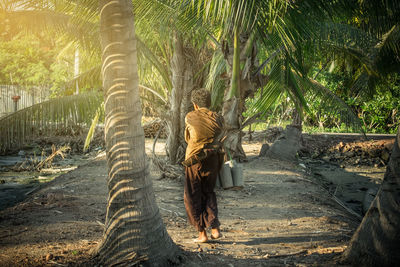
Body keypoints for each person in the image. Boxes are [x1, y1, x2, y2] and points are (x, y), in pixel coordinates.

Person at [182, 88, 224, 243]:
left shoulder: (190, 116)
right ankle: (215, 228)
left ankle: (202, 234)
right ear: (209, 103)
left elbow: (188, 137)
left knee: (192, 196)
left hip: (194, 160)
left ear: (195, 105)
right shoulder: (218, 117)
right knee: (209, 192)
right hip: (213, 159)